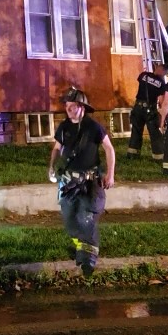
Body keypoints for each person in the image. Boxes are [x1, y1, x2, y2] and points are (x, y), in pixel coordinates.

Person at [48, 86, 116, 277]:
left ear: (82, 107)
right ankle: (82, 251)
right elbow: (56, 148)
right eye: (67, 106)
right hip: (69, 183)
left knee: (86, 218)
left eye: (72, 106)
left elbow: (109, 149)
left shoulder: (93, 127)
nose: (68, 110)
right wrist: (52, 166)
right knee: (70, 220)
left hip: (89, 183)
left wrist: (110, 174)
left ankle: (88, 261)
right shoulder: (63, 127)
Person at [126, 62, 168, 161]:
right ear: (163, 72)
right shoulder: (161, 83)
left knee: (136, 130)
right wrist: (162, 116)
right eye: (164, 74)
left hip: (138, 107)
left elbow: (140, 81)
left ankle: (132, 155)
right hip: (150, 109)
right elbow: (161, 100)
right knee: (155, 133)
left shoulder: (144, 75)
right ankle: (158, 157)